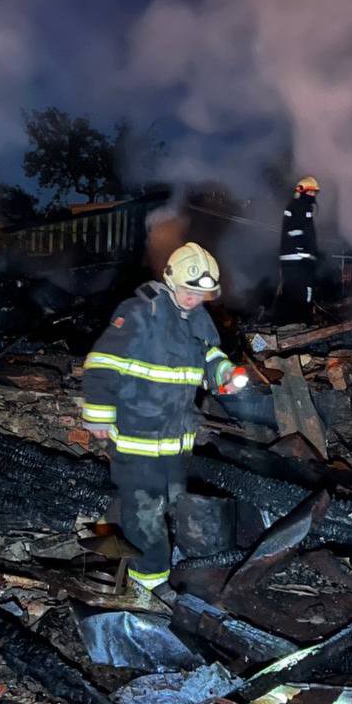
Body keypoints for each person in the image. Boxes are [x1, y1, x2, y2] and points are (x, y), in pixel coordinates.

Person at [81, 242, 248, 596]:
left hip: (175, 441)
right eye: (188, 290)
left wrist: (225, 373)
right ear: (171, 279)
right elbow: (101, 365)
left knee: (169, 503)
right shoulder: (141, 313)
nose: (193, 298)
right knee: (147, 513)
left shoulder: (199, 321)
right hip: (136, 438)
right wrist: (98, 416)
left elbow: (208, 358)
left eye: (201, 294)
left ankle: (108, 533)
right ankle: (150, 586)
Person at [276, 175, 320, 324]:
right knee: (305, 292)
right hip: (299, 258)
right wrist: (306, 251)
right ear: (302, 191)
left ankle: (290, 323)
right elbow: (299, 232)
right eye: (311, 192)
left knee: (291, 292)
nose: (313, 195)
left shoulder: (294, 206)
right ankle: (303, 322)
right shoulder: (301, 207)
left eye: (314, 192)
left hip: (293, 258)